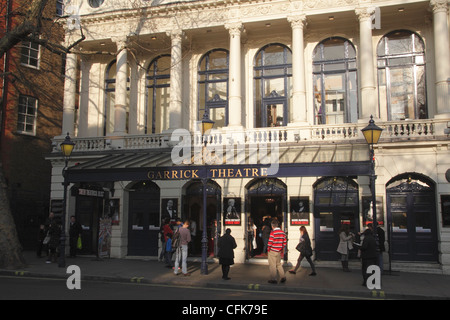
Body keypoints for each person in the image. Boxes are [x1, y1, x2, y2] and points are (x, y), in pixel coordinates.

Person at [267, 220, 287, 284]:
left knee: (272, 265)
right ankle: (283, 276)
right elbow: (285, 242)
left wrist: (268, 249)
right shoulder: (282, 233)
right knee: (278, 264)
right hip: (278, 251)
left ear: (272, 226)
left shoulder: (273, 233)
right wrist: (281, 248)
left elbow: (270, 242)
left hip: (272, 250)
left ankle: (274, 279)